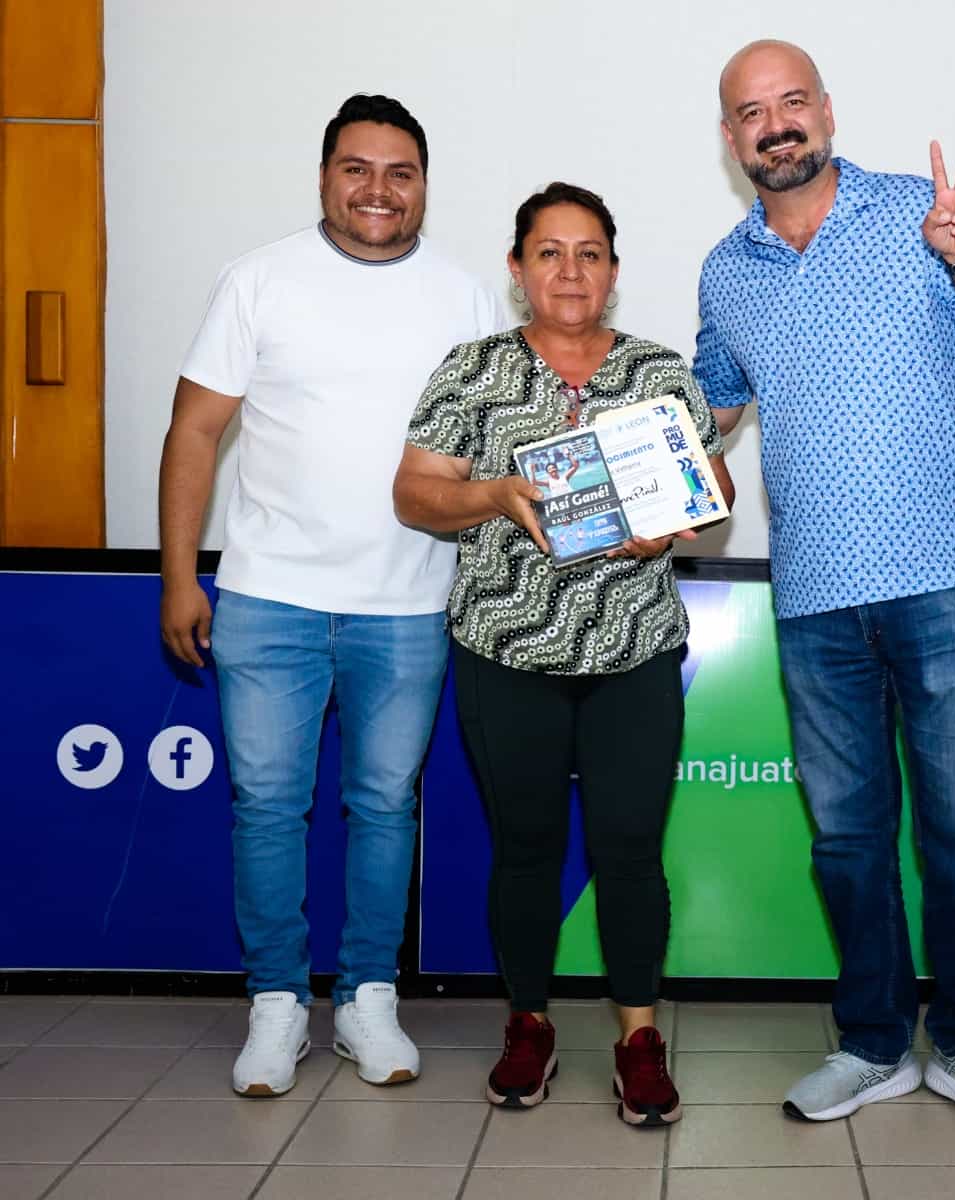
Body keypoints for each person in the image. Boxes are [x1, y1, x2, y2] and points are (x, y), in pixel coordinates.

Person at [693, 40, 955, 1121]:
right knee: (847, 843)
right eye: (753, 111)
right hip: (813, 599)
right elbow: (712, 409)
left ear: (827, 110)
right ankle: (875, 1043)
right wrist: (631, 446)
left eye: (792, 100)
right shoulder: (725, 270)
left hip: (940, 581)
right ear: (731, 137)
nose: (776, 123)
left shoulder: (916, 216)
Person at [157, 94, 504, 1096]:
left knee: (384, 806)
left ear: (424, 185)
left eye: (400, 172)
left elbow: (498, 450)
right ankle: (275, 1003)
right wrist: (179, 576)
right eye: (357, 168)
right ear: (323, 177)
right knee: (267, 806)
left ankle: (366, 1000)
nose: (378, 190)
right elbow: (194, 431)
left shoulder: (467, 298)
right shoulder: (258, 280)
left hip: (409, 603)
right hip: (269, 598)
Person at [394, 182, 734, 1126]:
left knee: (630, 850)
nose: (571, 271)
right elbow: (415, 493)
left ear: (614, 271)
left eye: (590, 253)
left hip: (635, 650)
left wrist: (673, 522)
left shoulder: (660, 371)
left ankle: (638, 1037)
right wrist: (495, 494)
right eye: (549, 252)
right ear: (518, 269)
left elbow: (712, 486)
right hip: (506, 649)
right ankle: (529, 1023)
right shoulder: (473, 371)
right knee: (526, 850)